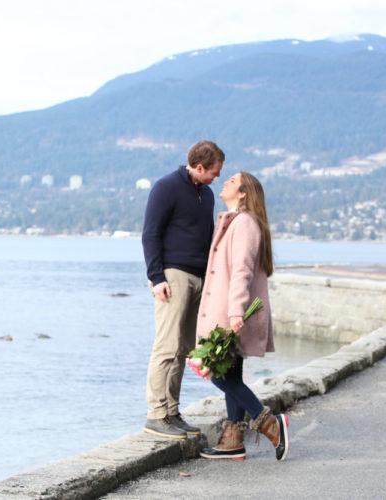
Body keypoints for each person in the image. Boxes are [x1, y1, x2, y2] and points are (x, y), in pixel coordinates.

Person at [196, 171, 289, 461]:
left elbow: (242, 270)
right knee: (230, 372)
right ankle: (233, 440)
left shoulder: (245, 223)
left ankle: (269, 424)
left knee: (217, 373)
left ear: (244, 192)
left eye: (232, 181)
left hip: (230, 312)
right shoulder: (237, 220)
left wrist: (236, 309)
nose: (224, 182)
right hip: (227, 310)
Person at [141, 140, 224, 439]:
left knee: (183, 348)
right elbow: (150, 234)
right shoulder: (166, 187)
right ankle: (156, 414)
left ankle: (172, 412)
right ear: (199, 167)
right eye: (214, 171)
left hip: (199, 277)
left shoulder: (208, 194)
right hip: (173, 275)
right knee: (166, 345)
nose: (217, 176)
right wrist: (156, 277)